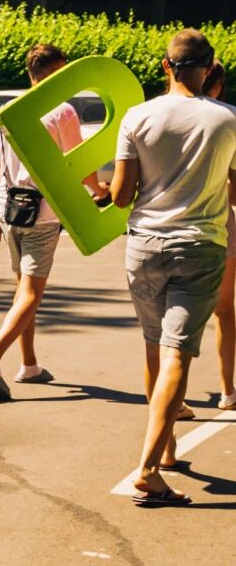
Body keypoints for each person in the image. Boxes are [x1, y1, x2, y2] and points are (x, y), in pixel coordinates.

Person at [111, 29, 236, 505]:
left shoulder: (137, 116)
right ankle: (148, 470)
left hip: (143, 246)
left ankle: (166, 451)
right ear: (209, 67)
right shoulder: (228, 119)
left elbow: (121, 196)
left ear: (166, 66)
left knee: (154, 348)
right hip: (199, 248)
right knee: (177, 355)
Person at [0, 43, 110, 400]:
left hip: (10, 211)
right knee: (32, 294)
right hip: (42, 216)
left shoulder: (9, 112)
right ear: (56, 72)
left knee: (23, 292)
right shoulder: (62, 112)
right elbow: (80, 164)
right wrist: (100, 190)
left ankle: (29, 365)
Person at [178, 60, 236, 419]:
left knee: (176, 319)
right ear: (214, 85)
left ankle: (175, 398)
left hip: (169, 228)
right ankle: (228, 391)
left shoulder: (161, 116)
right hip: (217, 226)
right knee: (224, 311)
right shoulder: (226, 121)